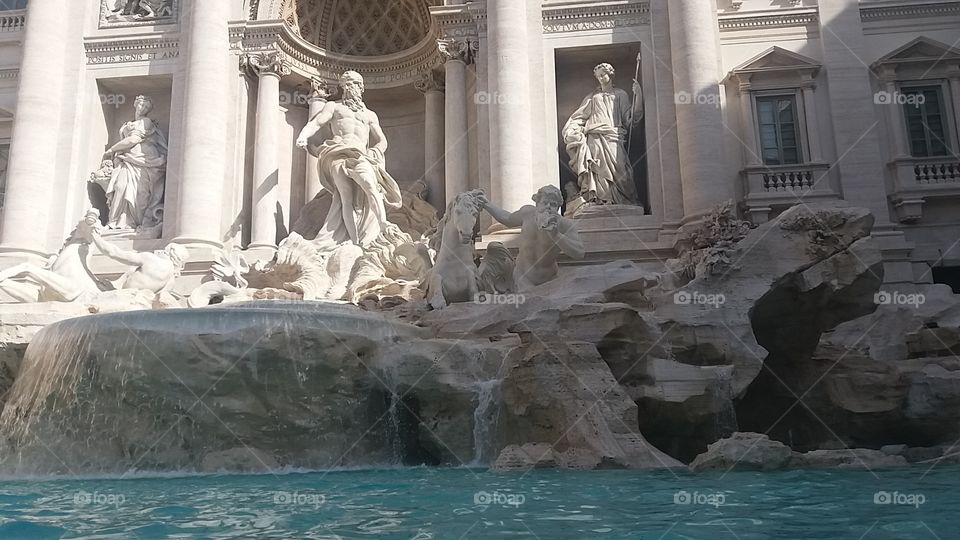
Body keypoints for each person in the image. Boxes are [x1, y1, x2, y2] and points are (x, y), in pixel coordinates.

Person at [296, 71, 403, 253]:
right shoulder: (334, 107)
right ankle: (355, 242)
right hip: (337, 153)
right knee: (345, 197)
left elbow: (382, 140)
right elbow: (317, 123)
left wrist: (375, 151)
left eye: (353, 83)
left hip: (361, 155)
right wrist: (303, 136)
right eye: (346, 84)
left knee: (370, 185)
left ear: (361, 87)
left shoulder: (370, 115)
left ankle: (383, 222)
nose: (349, 87)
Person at [562, 62, 643, 207]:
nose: (600, 78)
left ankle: (621, 200)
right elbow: (580, 116)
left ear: (610, 74)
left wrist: (638, 97)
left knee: (620, 168)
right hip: (594, 136)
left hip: (613, 135)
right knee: (597, 168)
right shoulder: (592, 97)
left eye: (603, 74)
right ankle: (601, 199)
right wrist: (572, 130)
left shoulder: (620, 94)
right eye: (598, 76)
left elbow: (630, 119)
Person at [480, 185, 585, 290]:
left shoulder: (565, 225)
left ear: (558, 208)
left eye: (553, 204)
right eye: (545, 202)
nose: (548, 206)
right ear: (537, 204)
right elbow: (507, 218)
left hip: (549, 280)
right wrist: (486, 204)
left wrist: (556, 235)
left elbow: (579, 253)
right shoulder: (527, 214)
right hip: (522, 276)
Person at [102, 95, 168, 232]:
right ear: (135, 104)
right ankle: (116, 221)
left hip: (143, 160)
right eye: (141, 105)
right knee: (120, 186)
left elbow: (134, 139)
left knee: (139, 191)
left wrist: (112, 149)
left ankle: (132, 222)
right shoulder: (128, 123)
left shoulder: (146, 122)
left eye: (147, 107)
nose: (143, 108)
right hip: (126, 159)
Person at [90, 229, 188, 294]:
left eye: (163, 250)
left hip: (125, 295)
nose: (159, 251)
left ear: (168, 252)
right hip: (139, 303)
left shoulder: (150, 259)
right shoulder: (171, 280)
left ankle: (115, 286)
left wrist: (95, 236)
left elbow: (114, 253)